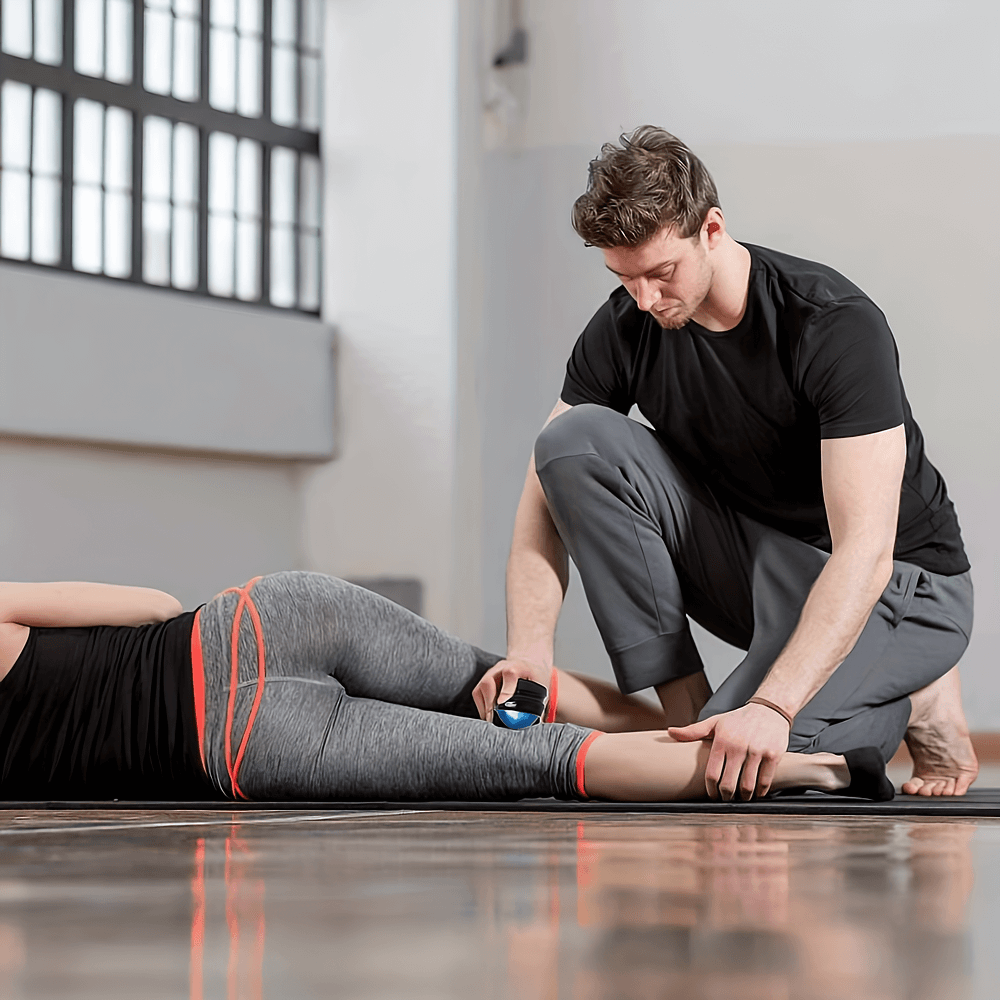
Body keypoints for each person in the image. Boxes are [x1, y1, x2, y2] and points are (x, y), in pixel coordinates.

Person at [476, 126, 976, 802]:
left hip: (901, 589)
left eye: (661, 273)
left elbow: (866, 552)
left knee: (744, 762)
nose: (646, 300)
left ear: (711, 229)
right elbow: (544, 495)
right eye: (624, 278)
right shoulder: (628, 323)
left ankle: (917, 698)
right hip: (762, 575)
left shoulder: (831, 324)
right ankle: (691, 706)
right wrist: (531, 648)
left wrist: (771, 710)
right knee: (571, 443)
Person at [0, 573, 893, 803]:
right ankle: (725, 723)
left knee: (543, 761)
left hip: (246, 740)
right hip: (264, 618)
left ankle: (818, 770)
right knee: (507, 688)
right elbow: (154, 605)